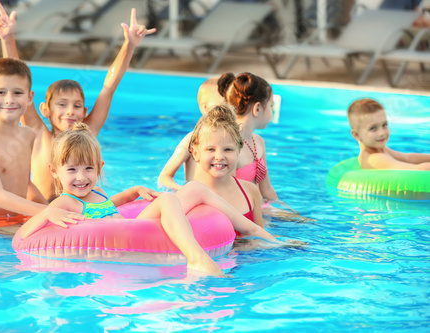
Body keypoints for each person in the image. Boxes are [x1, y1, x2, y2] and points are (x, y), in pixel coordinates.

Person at [20, 123, 288, 275]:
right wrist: (46, 213)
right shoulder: (65, 202)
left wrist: (135, 190)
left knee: (194, 188)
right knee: (168, 201)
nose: (81, 177)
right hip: (121, 238)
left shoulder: (94, 193)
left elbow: (109, 205)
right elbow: (22, 236)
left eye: (89, 168)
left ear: (99, 167)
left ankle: (254, 230)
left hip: (131, 227)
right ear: (55, 171)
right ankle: (196, 257)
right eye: (72, 170)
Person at [0, 1, 156, 201]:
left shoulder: (88, 133)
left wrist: (129, 45)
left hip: (80, 214)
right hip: (43, 213)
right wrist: (7, 39)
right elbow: (18, 80)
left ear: (85, 111)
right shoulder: (39, 135)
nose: (70, 112)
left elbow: (108, 88)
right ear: (45, 109)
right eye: (62, 105)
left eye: (77, 106)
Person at [0, 57, 83, 232]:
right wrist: (48, 211)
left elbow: (26, 184)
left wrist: (52, 209)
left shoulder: (28, 135)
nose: (9, 100)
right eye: (1, 92)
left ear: (30, 98)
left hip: (16, 219)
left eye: (17, 93)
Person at [189, 104, 267, 230]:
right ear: (195, 153)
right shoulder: (192, 196)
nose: (219, 156)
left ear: (238, 152)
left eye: (228, 149)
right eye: (210, 149)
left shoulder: (250, 192)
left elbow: (261, 239)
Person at [218, 72, 277, 202]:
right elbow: (227, 196)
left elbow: (266, 189)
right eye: (271, 106)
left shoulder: (258, 142)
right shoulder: (229, 147)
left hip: (258, 208)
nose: (272, 112)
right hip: (240, 213)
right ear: (257, 109)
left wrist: (291, 213)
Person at [158, 77, 224, 190]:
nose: (231, 110)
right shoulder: (192, 139)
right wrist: (183, 191)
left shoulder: (231, 141)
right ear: (205, 108)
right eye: (224, 105)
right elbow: (164, 177)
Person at [347, 98, 430, 170]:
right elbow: (417, 170)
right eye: (373, 128)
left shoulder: (380, 150)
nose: (382, 133)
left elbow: (408, 158)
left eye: (384, 125)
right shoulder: (374, 158)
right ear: (356, 135)